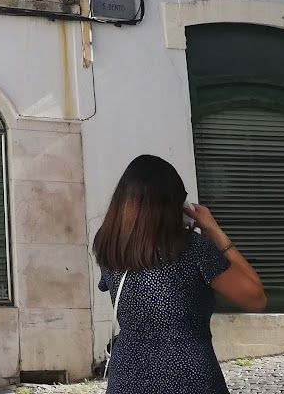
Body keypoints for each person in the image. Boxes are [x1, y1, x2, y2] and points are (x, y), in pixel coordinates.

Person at [93, 154, 267, 393]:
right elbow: (255, 297)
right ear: (173, 205)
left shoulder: (108, 244)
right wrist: (215, 232)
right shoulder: (192, 249)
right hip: (188, 375)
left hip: (127, 376)